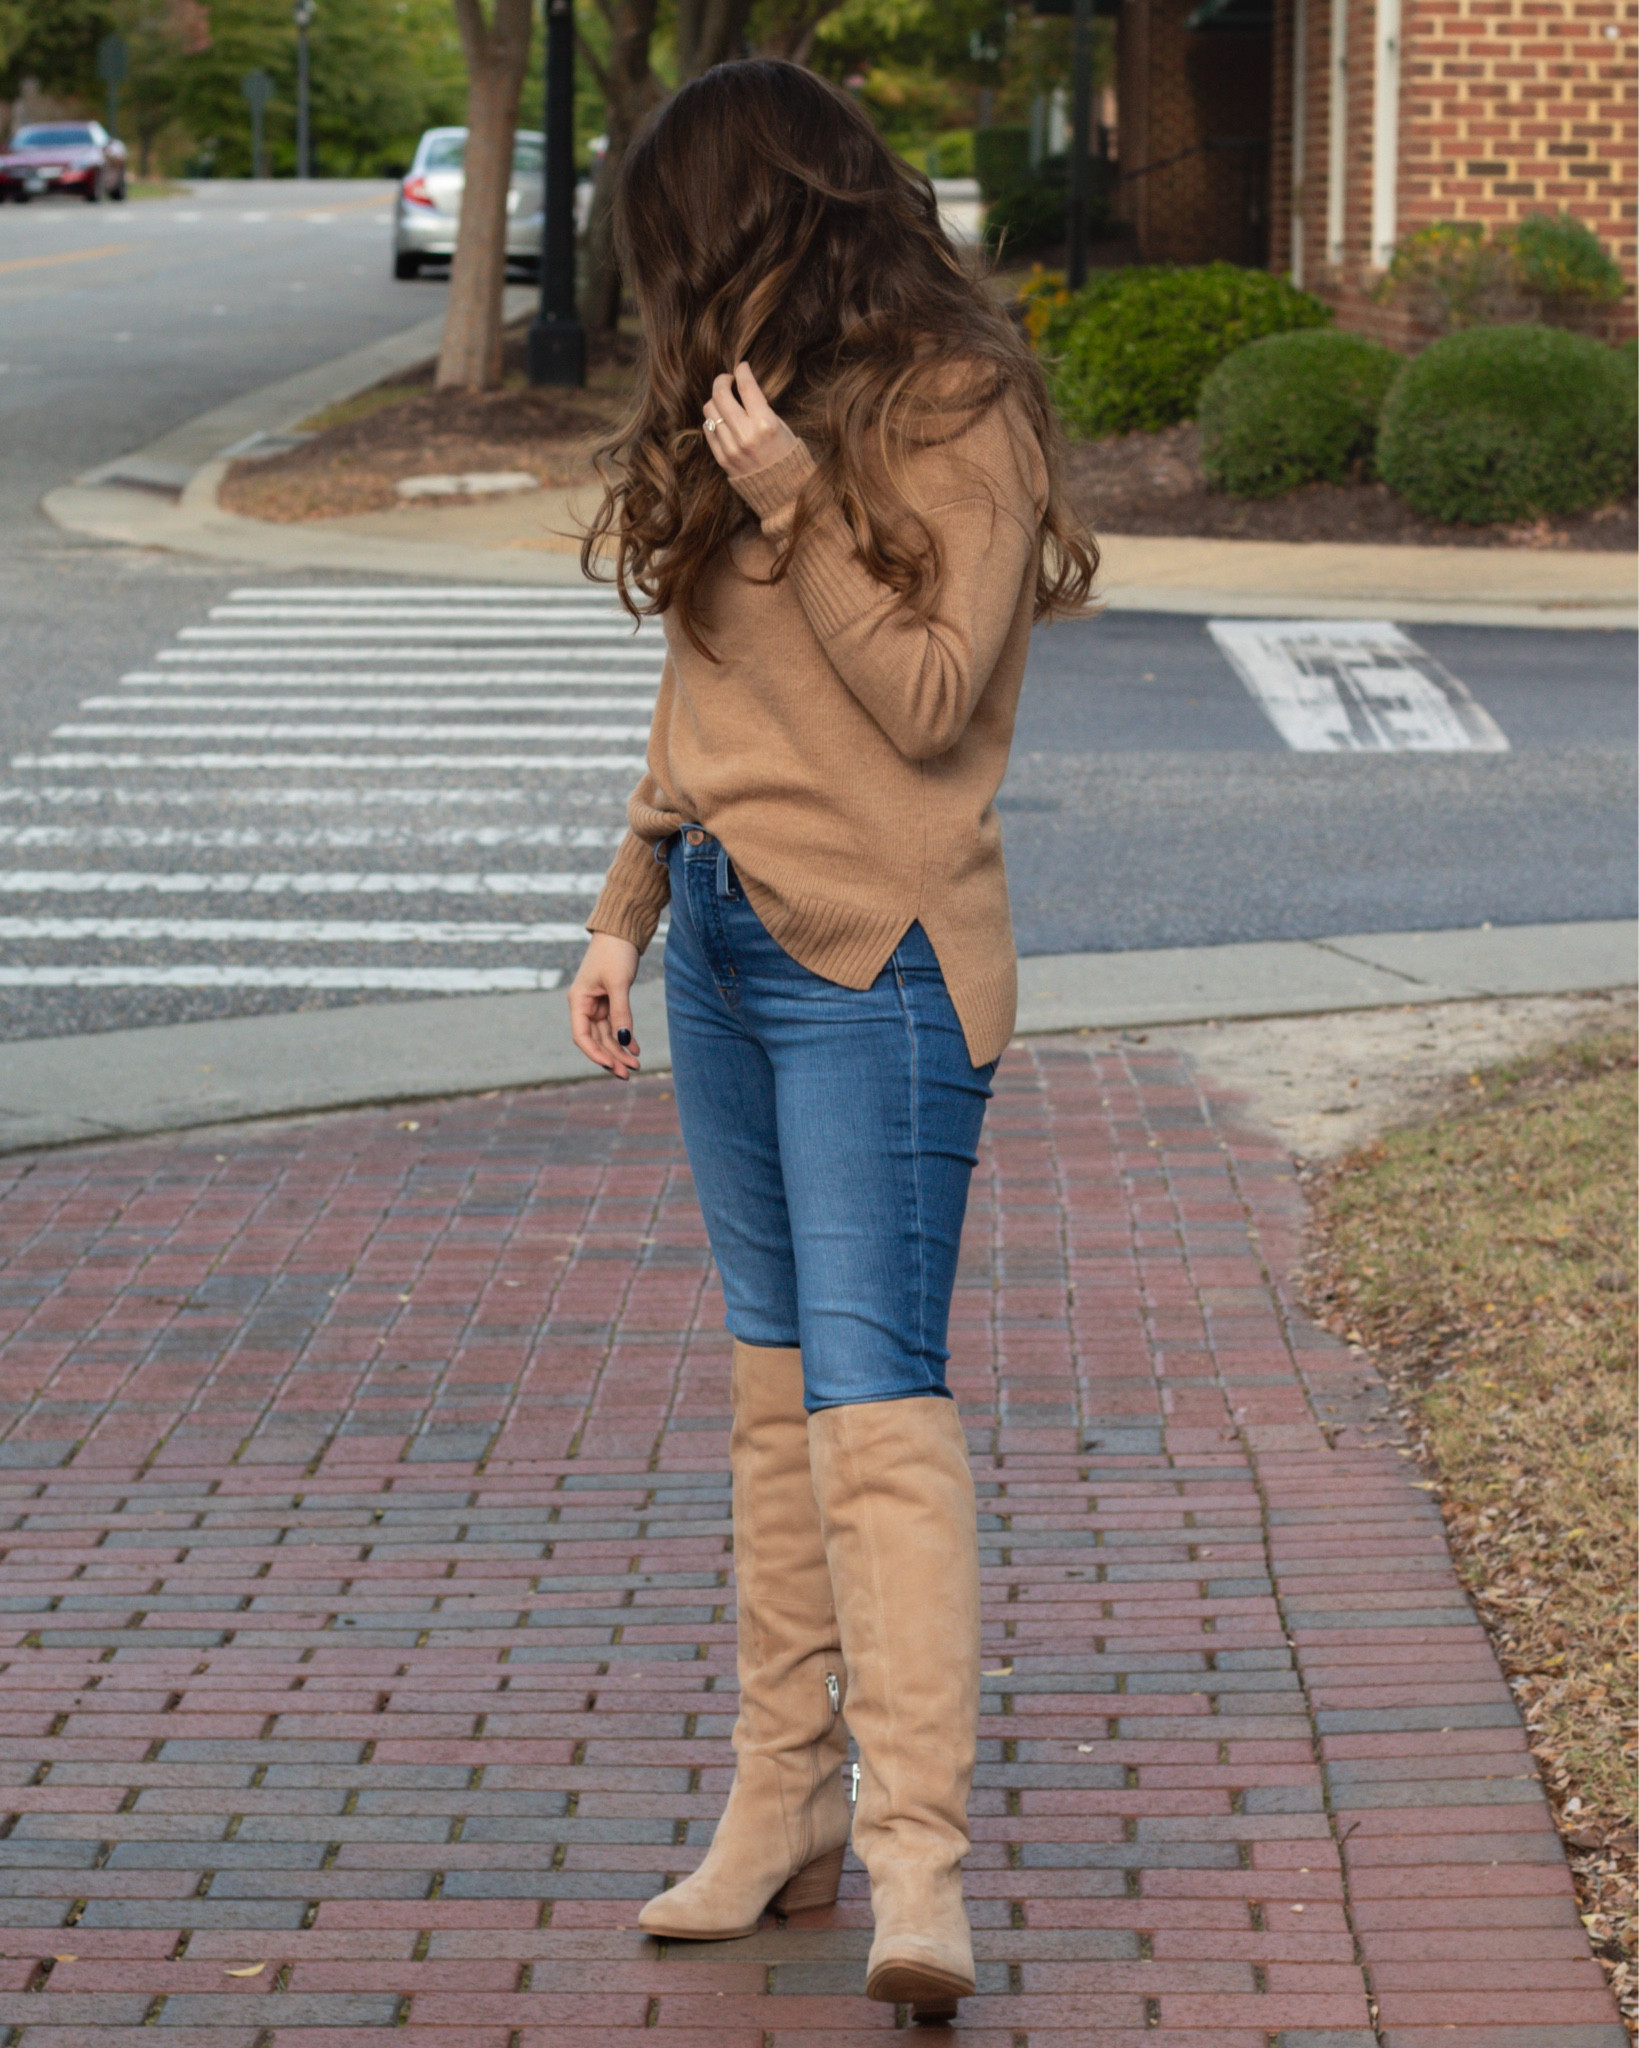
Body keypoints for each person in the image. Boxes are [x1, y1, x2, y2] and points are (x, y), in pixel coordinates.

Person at [566, 58, 1097, 2020]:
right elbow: (705, 693)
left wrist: (800, 507)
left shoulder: (957, 403)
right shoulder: (741, 398)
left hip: (881, 958)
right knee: (773, 1392)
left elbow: (936, 700)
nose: (665, 286)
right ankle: (777, 1798)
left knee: (876, 1405)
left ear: (763, 218)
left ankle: (916, 1864)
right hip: (720, 937)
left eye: (679, 243)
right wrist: (625, 904)